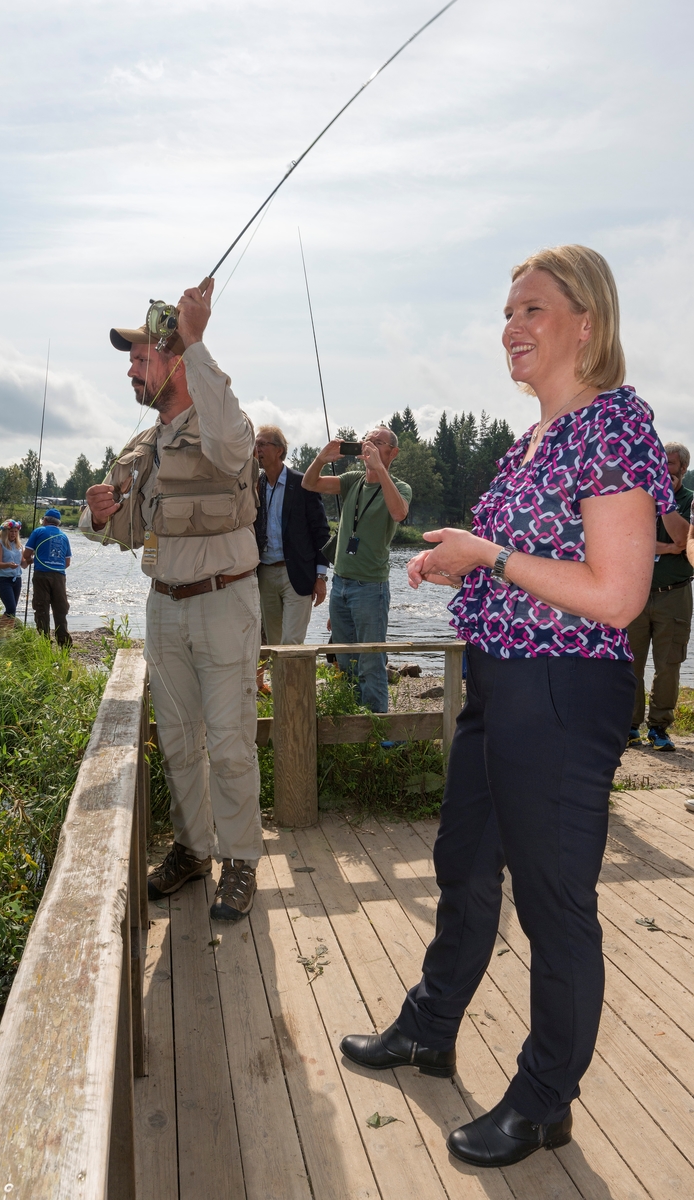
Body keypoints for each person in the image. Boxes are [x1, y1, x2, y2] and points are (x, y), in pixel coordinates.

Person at [339, 245, 675, 1168]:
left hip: (565, 692)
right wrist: (457, 554)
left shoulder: (614, 426)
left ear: (587, 324)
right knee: (464, 862)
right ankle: (430, 1026)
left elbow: (617, 594)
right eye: (507, 311)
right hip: (498, 679)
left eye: (533, 309)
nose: (511, 327)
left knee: (553, 902)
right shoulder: (523, 443)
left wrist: (486, 557)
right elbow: (514, 560)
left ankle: (543, 1100)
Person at [80, 280, 263, 922]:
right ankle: (192, 849)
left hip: (224, 603)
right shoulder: (143, 448)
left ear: (173, 362)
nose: (131, 370)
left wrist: (197, 338)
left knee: (232, 741)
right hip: (165, 607)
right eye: (131, 361)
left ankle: (240, 861)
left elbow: (237, 447)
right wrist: (100, 513)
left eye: (140, 358)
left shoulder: (221, 424)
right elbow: (120, 530)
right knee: (181, 741)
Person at [302, 426, 410, 712]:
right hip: (341, 585)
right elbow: (309, 484)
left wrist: (379, 470)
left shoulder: (399, 487)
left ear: (393, 452)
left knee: (371, 661)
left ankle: (376, 726)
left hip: (370, 588)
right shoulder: (352, 481)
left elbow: (399, 512)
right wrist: (321, 458)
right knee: (345, 659)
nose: (370, 446)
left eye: (378, 443)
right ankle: (351, 719)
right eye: (368, 441)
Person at [627, 442, 693, 751]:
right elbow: (630, 542)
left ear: (683, 467)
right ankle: (629, 726)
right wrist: (665, 548)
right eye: (659, 462)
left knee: (668, 665)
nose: (662, 468)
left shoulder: (690, 502)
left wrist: (665, 502)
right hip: (636, 593)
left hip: (675, 596)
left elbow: (683, 539)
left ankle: (658, 729)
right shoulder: (640, 498)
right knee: (630, 662)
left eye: (668, 463)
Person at [254, 424, 330, 647]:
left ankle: (292, 684)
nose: (257, 449)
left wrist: (321, 577)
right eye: (255, 444)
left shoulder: (303, 483)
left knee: (291, 643)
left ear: (279, 450)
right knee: (273, 645)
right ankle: (281, 684)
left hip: (296, 574)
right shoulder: (254, 485)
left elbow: (321, 531)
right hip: (265, 574)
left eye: (262, 444)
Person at [22, 508, 73, 647]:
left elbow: (26, 555)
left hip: (41, 575)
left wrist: (35, 559)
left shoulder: (38, 531)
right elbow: (67, 563)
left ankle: (45, 641)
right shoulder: (64, 536)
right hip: (59, 576)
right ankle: (63, 641)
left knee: (41, 606)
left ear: (45, 520)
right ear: (58, 523)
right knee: (60, 608)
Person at [0, 519, 23, 621]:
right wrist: (8, 565)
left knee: (13, 611)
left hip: (17, 579)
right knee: (10, 608)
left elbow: (23, 564)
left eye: (15, 531)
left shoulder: (19, 546)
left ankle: (8, 634)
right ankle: (0, 635)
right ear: (5, 532)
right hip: (3, 580)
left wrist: (31, 559)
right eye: (11, 531)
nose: (13, 534)